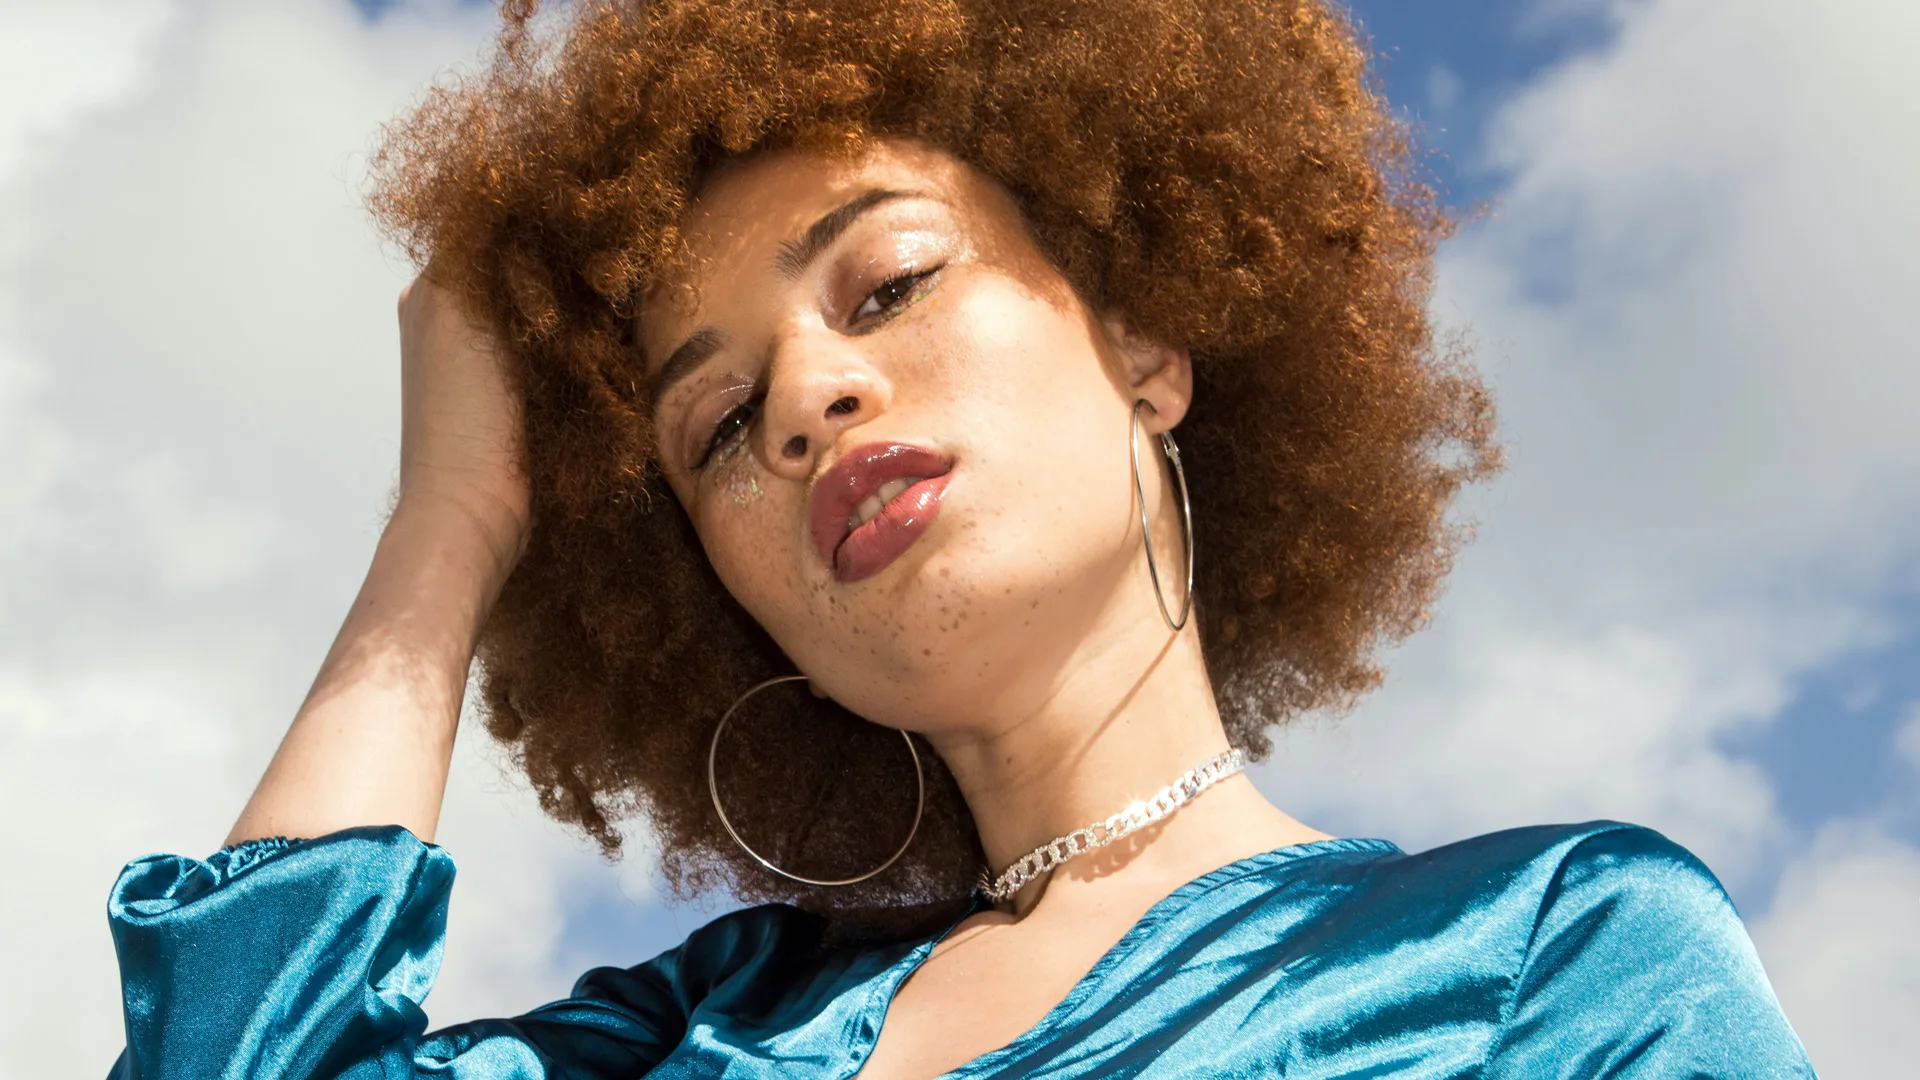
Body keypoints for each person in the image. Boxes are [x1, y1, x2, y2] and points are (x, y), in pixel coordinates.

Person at [105, 0, 1816, 1076]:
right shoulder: (698, 1031)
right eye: (714, 428)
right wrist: (453, 521)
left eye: (895, 282)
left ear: (1145, 345)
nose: (806, 402)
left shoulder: (1553, 955)